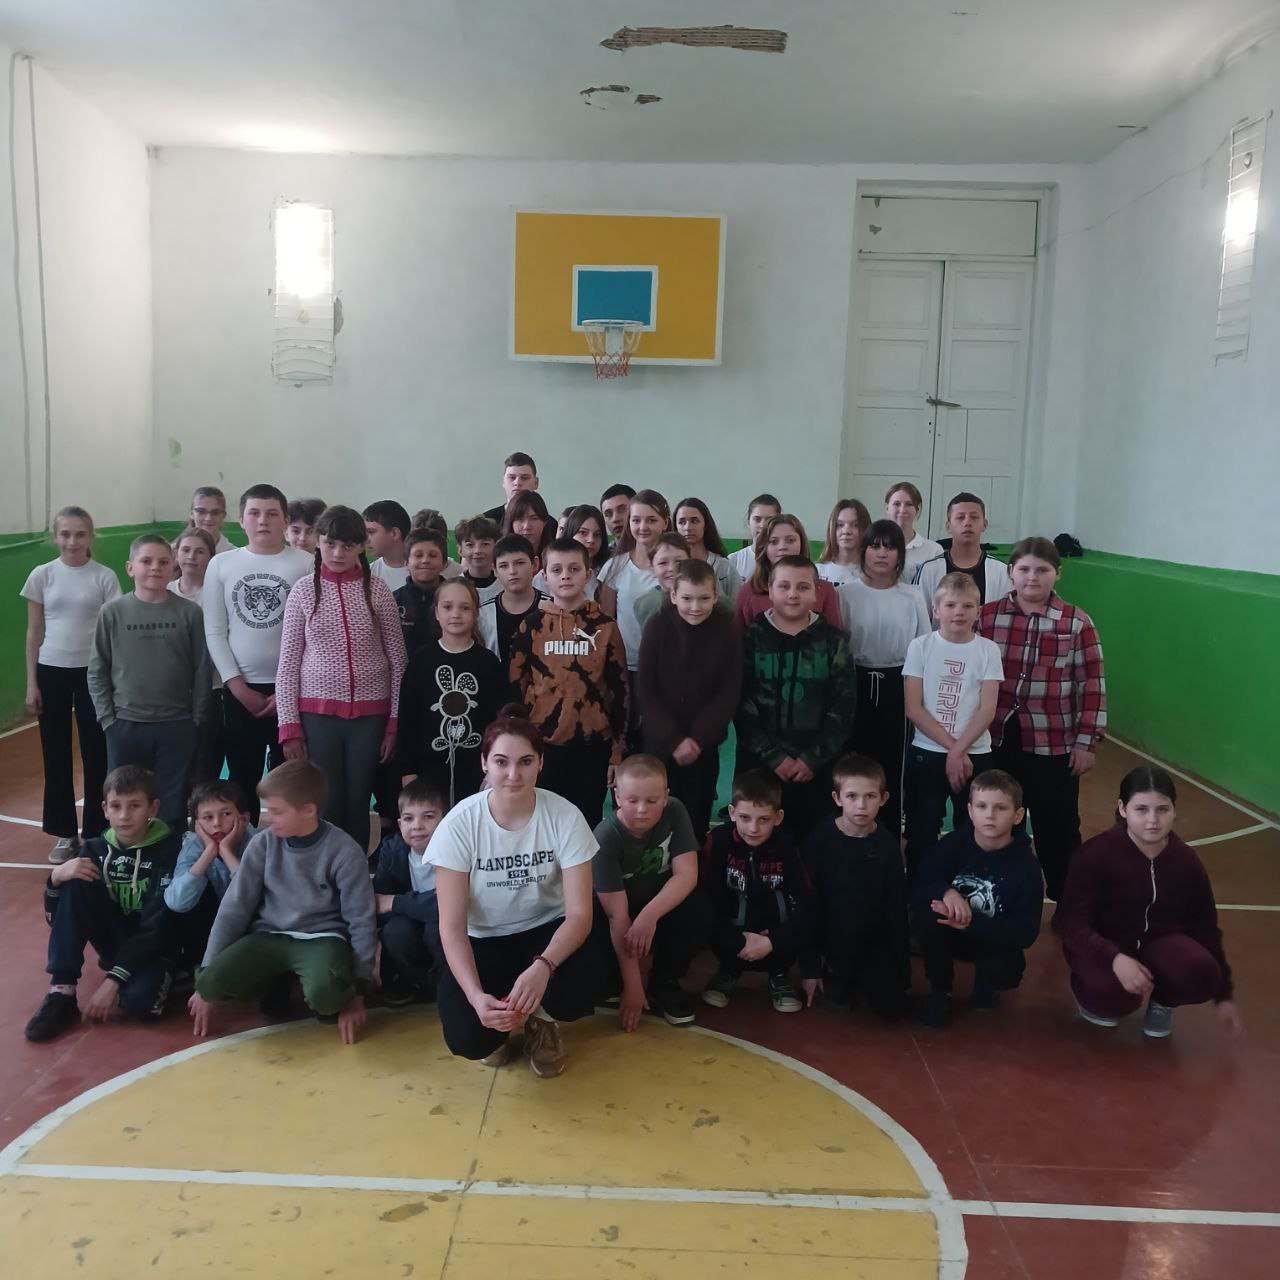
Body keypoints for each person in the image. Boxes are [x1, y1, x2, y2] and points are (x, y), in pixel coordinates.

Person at [427, 706, 599, 1077]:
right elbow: (451, 928)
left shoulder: (565, 816)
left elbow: (580, 915)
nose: (513, 774)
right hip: (484, 937)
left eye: (525, 762)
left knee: (593, 975)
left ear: (541, 763)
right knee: (468, 1038)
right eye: (501, 762)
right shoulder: (458, 825)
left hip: (545, 930)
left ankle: (543, 1019)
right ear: (484, 763)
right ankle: (499, 1026)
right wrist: (476, 998)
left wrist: (543, 967)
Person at [189, 760, 376, 1044]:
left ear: (308, 810)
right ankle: (276, 981)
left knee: (327, 998)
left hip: (320, 938)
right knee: (208, 983)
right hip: (269, 935)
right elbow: (234, 908)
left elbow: (361, 920)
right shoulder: (262, 844)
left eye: (277, 812)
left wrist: (358, 993)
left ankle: (318, 985)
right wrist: (206, 977)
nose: (268, 819)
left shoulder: (345, 851)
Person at [1058, 767, 1243, 1041]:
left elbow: (1206, 928)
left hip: (1160, 942)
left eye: (1162, 809)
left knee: (1203, 974)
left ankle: (1163, 1001)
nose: (1153, 820)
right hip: (1103, 945)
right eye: (1141, 809)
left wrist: (1223, 995)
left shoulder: (1186, 861)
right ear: (1123, 809)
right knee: (1110, 996)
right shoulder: (1095, 854)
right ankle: (1089, 990)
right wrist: (1114, 958)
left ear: (1174, 810)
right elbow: (1072, 923)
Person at [980, 536, 1106, 901]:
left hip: (1053, 743)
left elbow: (1092, 684)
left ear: (1058, 574)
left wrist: (1086, 742)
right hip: (997, 739)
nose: (1032, 577)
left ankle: (1070, 903)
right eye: (1024, 569)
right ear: (1010, 572)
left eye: (1042, 570)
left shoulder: (1077, 623)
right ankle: (1003, 898)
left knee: (1059, 828)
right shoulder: (986, 617)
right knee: (1001, 823)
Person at [274, 505, 407, 848]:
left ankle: (354, 872)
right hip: (317, 717)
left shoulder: (378, 591)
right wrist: (289, 726)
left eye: (347, 546)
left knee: (359, 799)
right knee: (327, 801)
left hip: (370, 716)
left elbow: (398, 661)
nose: (337, 553)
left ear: (361, 546)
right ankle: (325, 870)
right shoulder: (303, 591)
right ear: (318, 542)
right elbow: (288, 664)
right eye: (330, 543)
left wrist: (394, 722)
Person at [24, 765, 183, 1042]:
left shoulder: (170, 850)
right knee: (76, 875)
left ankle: (177, 977)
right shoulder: (94, 849)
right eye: (116, 806)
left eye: (135, 806)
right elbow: (58, 922)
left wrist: (113, 981)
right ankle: (62, 992)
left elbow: (158, 928)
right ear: (105, 809)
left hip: (156, 948)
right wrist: (55, 880)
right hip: (114, 941)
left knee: (140, 1005)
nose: (124, 816)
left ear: (153, 808)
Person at [202, 485, 312, 821]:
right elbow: (215, 631)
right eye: (254, 513)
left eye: (272, 513)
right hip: (240, 691)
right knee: (242, 774)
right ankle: (243, 840)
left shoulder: (306, 563)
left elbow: (313, 635)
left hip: (291, 692)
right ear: (241, 520)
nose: (263, 520)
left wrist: (288, 690)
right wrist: (236, 686)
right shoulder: (221, 565)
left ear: (285, 521)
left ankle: (287, 841)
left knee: (287, 775)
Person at [88, 534, 211, 829]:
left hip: (177, 725)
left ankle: (170, 856)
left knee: (172, 803)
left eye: (163, 562)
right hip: (125, 724)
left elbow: (202, 670)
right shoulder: (112, 613)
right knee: (126, 799)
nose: (155, 567)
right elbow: (97, 670)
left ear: (173, 567)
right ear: (130, 568)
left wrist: (195, 719)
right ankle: (126, 855)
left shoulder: (190, 613)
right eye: (146, 561)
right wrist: (108, 720)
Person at [21, 505, 121, 863]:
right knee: (56, 753)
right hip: (51, 671)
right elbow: (34, 633)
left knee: (97, 753)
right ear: (55, 537)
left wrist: (114, 680)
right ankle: (65, 833)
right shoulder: (42, 575)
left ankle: (95, 831)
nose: (72, 541)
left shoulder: (104, 577)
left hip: (94, 674)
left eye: (80, 534)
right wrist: (32, 683)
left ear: (91, 536)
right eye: (65, 534)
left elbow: (113, 634)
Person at [508, 538, 629, 827]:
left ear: (588, 574)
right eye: (557, 569)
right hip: (543, 745)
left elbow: (620, 692)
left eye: (574, 569)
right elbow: (515, 688)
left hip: (593, 746)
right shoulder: (532, 625)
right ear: (544, 575)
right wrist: (518, 744)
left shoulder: (605, 627)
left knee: (586, 823)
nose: (565, 576)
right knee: (542, 822)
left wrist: (617, 753)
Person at [911, 770, 1043, 1029]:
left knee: (1006, 969)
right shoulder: (951, 845)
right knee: (928, 914)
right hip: (950, 932)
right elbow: (920, 885)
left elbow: (1026, 933)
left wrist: (972, 923)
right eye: (982, 806)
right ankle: (941, 990)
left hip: (990, 937)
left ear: (1018, 815)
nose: (990, 815)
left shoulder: (1026, 867)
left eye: (1000, 808)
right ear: (970, 811)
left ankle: (986, 984)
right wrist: (946, 892)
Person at [736, 556, 856, 837]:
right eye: (784, 586)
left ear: (816, 593)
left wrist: (812, 759)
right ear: (770, 589)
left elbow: (844, 705)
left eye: (803, 587)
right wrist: (774, 757)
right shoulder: (751, 638)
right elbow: (741, 703)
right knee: (759, 838)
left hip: (817, 765)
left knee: (814, 840)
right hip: (759, 764)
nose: (792, 594)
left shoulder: (833, 641)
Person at [593, 756, 711, 1029]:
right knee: (595, 971)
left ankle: (663, 981)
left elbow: (687, 875)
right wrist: (633, 987)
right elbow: (617, 918)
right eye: (632, 800)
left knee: (700, 912)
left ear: (666, 797)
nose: (642, 810)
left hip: (656, 905)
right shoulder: (605, 838)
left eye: (653, 801)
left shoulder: (675, 811)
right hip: (616, 913)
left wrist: (649, 916)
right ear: (617, 796)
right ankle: (620, 980)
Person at [902, 573, 1003, 881]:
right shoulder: (920, 646)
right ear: (936, 610)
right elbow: (913, 708)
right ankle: (921, 889)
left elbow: (987, 710)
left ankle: (967, 887)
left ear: (978, 611)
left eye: (967, 606)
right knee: (922, 828)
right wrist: (953, 749)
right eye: (950, 605)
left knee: (971, 827)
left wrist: (959, 750)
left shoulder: (988, 650)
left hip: (975, 754)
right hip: (928, 752)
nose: (958, 612)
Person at [837, 519, 931, 839]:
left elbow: (923, 646)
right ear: (863, 551)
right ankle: (847, 832)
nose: (881, 553)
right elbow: (839, 644)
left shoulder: (912, 595)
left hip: (897, 683)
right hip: (855, 681)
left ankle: (888, 837)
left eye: (890, 547)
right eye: (875, 546)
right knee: (852, 760)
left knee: (892, 763)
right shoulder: (846, 594)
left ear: (900, 555)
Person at [635, 559, 741, 841]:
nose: (695, 607)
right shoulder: (657, 626)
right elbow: (646, 689)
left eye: (704, 598)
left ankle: (693, 867)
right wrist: (673, 739)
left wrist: (697, 739)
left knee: (695, 819)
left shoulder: (726, 629)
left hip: (702, 747)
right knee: (653, 816)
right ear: (673, 595)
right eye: (687, 598)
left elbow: (728, 691)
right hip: (660, 744)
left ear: (716, 596)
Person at [701, 769, 820, 1014]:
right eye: (745, 817)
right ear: (732, 813)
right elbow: (707, 899)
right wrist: (735, 940)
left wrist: (775, 941)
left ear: (778, 817)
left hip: (774, 935)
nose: (753, 828)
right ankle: (728, 970)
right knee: (715, 907)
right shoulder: (719, 841)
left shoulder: (788, 844)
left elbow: (807, 902)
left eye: (763, 819)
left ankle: (779, 973)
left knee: (783, 903)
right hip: (734, 933)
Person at [805, 754, 909, 1019]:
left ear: (883, 799)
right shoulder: (821, 839)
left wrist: (900, 970)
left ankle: (864, 974)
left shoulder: (887, 846)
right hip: (832, 935)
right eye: (852, 796)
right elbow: (807, 902)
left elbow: (895, 908)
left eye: (870, 796)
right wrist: (810, 968)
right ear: (837, 798)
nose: (861, 806)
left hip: (872, 938)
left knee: (892, 1007)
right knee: (837, 1001)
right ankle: (833, 970)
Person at [399, 578, 508, 807]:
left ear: (476, 613)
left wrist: (493, 768)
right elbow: (408, 720)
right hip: (428, 772)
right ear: (436, 613)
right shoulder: (421, 661)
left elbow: (499, 723)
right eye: (448, 607)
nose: (456, 614)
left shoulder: (488, 663)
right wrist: (407, 770)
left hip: (477, 773)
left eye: (464, 608)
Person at [164, 779, 257, 970]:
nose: (217, 824)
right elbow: (177, 902)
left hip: (254, 927)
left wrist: (227, 853)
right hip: (215, 927)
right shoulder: (194, 845)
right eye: (207, 817)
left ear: (244, 818)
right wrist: (208, 853)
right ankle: (198, 962)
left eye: (226, 814)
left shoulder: (259, 842)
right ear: (196, 825)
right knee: (191, 889)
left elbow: (257, 899)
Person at [372, 778, 447, 1005]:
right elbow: (378, 904)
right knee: (396, 931)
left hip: (444, 927)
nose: (417, 826)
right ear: (399, 823)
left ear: (445, 819)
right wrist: (417, 906)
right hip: (408, 925)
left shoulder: (456, 850)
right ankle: (414, 981)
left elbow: (449, 904)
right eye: (408, 818)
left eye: (428, 817)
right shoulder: (392, 850)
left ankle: (444, 986)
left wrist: (396, 902)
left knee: (437, 929)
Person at [168, 526, 222, 784]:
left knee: (205, 760)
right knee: (175, 762)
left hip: (211, 689)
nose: (191, 556)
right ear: (176, 554)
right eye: (186, 550)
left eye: (200, 551)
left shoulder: (218, 591)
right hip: (173, 693)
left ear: (211, 557)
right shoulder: (165, 591)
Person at [597, 489, 670, 672]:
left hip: (668, 664)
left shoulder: (678, 566)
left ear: (665, 523)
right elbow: (606, 621)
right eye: (636, 520)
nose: (643, 527)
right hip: (626, 665)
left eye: (651, 520)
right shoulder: (614, 567)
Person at [734, 513, 843, 630]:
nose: (782, 547)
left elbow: (835, 636)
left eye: (790, 540)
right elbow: (737, 637)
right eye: (774, 541)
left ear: (801, 543)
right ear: (764, 548)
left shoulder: (825, 590)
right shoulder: (749, 591)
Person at [914, 492, 1011, 610]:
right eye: (960, 517)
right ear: (948, 526)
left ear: (984, 525)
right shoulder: (928, 570)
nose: (967, 523)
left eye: (974, 517)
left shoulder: (1001, 572)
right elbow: (918, 616)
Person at [477, 534, 547, 667]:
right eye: (504, 566)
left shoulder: (551, 608)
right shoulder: (484, 614)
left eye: (520, 563)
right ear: (495, 570)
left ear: (535, 564)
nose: (512, 571)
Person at [393, 527, 449, 657]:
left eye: (433, 555)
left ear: (444, 563)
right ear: (406, 562)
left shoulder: (455, 599)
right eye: (418, 555)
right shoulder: (393, 600)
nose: (425, 560)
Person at [674, 496, 742, 600]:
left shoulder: (724, 568)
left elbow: (738, 605)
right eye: (682, 522)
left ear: (705, 524)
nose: (687, 527)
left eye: (694, 521)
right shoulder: (672, 567)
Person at [884, 482, 943, 583]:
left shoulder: (933, 551)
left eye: (909, 504)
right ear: (887, 508)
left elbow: (937, 590)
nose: (902, 510)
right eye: (896, 504)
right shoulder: (872, 546)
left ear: (917, 509)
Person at [632, 532, 690, 630]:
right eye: (663, 563)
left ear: (691, 562)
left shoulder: (705, 597)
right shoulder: (646, 604)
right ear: (652, 567)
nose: (671, 568)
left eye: (679, 562)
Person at [726, 493, 781, 582]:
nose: (762, 525)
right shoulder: (734, 560)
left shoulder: (784, 558)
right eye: (757, 519)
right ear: (748, 522)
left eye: (769, 520)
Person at [817, 498, 872, 588]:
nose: (846, 531)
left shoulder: (872, 574)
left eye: (855, 525)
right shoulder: (817, 571)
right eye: (840, 525)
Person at [559, 503, 609, 599]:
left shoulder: (608, 572)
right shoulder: (551, 572)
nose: (591, 540)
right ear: (570, 533)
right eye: (583, 532)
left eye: (597, 534)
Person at [364, 500, 412, 593]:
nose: (366, 539)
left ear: (394, 533)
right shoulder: (370, 574)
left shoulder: (424, 568)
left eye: (371, 532)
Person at [483, 451, 539, 522]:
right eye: (512, 477)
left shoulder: (549, 523)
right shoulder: (486, 521)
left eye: (525, 478)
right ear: (503, 482)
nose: (517, 483)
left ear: (536, 483)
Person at [504, 490, 555, 562]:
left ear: (544, 522)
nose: (526, 527)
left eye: (534, 518)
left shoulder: (555, 557)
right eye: (520, 519)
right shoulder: (501, 557)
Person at [455, 515, 501, 591]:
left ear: (497, 547)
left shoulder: (505, 585)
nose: (477, 550)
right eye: (470, 545)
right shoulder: (454, 588)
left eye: (485, 544)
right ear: (460, 550)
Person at [189, 485, 234, 555]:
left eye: (215, 513)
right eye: (201, 511)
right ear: (192, 514)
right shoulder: (174, 554)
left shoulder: (234, 555)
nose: (208, 518)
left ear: (223, 516)